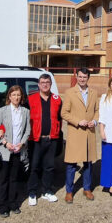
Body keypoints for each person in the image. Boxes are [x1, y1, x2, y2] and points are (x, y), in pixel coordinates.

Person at [61, 67, 99, 203]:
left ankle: (87, 188)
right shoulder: (70, 92)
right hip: (76, 133)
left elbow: (97, 110)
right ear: (76, 77)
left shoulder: (94, 93)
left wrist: (94, 121)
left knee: (88, 163)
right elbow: (64, 113)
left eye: (85, 77)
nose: (82, 79)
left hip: (89, 133)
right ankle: (69, 191)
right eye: (80, 77)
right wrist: (78, 121)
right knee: (71, 165)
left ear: (88, 78)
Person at [0, 85, 30, 217]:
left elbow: (27, 130)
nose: (16, 97)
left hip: (18, 149)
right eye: (13, 95)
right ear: (9, 96)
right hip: (6, 150)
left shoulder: (25, 111)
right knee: (3, 179)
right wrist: (5, 143)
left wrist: (22, 143)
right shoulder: (3, 111)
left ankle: (13, 203)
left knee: (14, 178)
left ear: (21, 97)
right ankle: (1, 207)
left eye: (18, 95)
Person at [27, 74, 62, 206]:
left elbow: (59, 118)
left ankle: (47, 190)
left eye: (47, 82)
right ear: (38, 84)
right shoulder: (30, 99)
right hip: (36, 139)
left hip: (51, 138)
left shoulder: (57, 99)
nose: (45, 84)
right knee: (34, 166)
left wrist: (57, 133)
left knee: (49, 166)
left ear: (50, 84)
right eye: (42, 82)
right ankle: (32, 192)